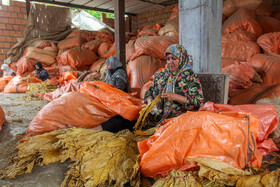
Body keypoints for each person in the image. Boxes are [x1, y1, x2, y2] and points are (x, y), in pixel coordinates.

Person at [142, 44, 205, 130]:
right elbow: (149, 91)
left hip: (180, 120)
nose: (170, 62)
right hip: (157, 119)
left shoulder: (189, 76)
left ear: (182, 59)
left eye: (174, 59)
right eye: (168, 59)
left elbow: (199, 102)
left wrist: (176, 97)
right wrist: (150, 102)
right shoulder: (161, 75)